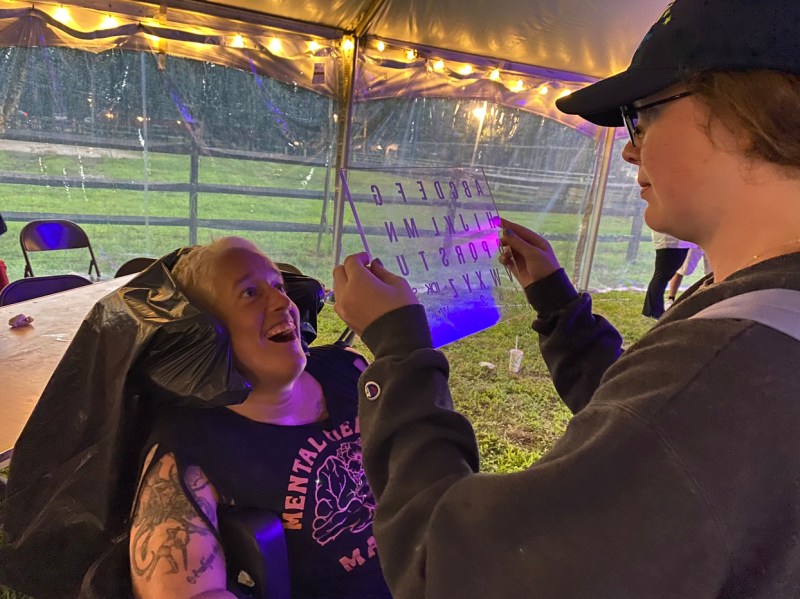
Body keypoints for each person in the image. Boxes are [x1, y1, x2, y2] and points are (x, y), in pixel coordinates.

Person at [331, 1, 800, 597]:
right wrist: (557, 304)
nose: (631, 149)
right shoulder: (761, 315)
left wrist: (398, 354)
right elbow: (654, 422)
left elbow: (451, 570)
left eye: (642, 116)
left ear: (748, 113)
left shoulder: (729, 366)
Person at [129, 237, 391, 598]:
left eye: (279, 286)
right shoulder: (190, 444)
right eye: (250, 293)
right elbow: (187, 592)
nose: (283, 302)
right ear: (205, 331)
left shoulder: (350, 371)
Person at [642, 231, 692, 318]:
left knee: (662, 277)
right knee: (661, 277)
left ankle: (652, 310)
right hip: (672, 242)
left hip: (673, 242)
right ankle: (654, 311)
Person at [666, 244, 711, 309]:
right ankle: (670, 299)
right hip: (695, 243)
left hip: (712, 243)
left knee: (712, 272)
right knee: (682, 270)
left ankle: (711, 299)